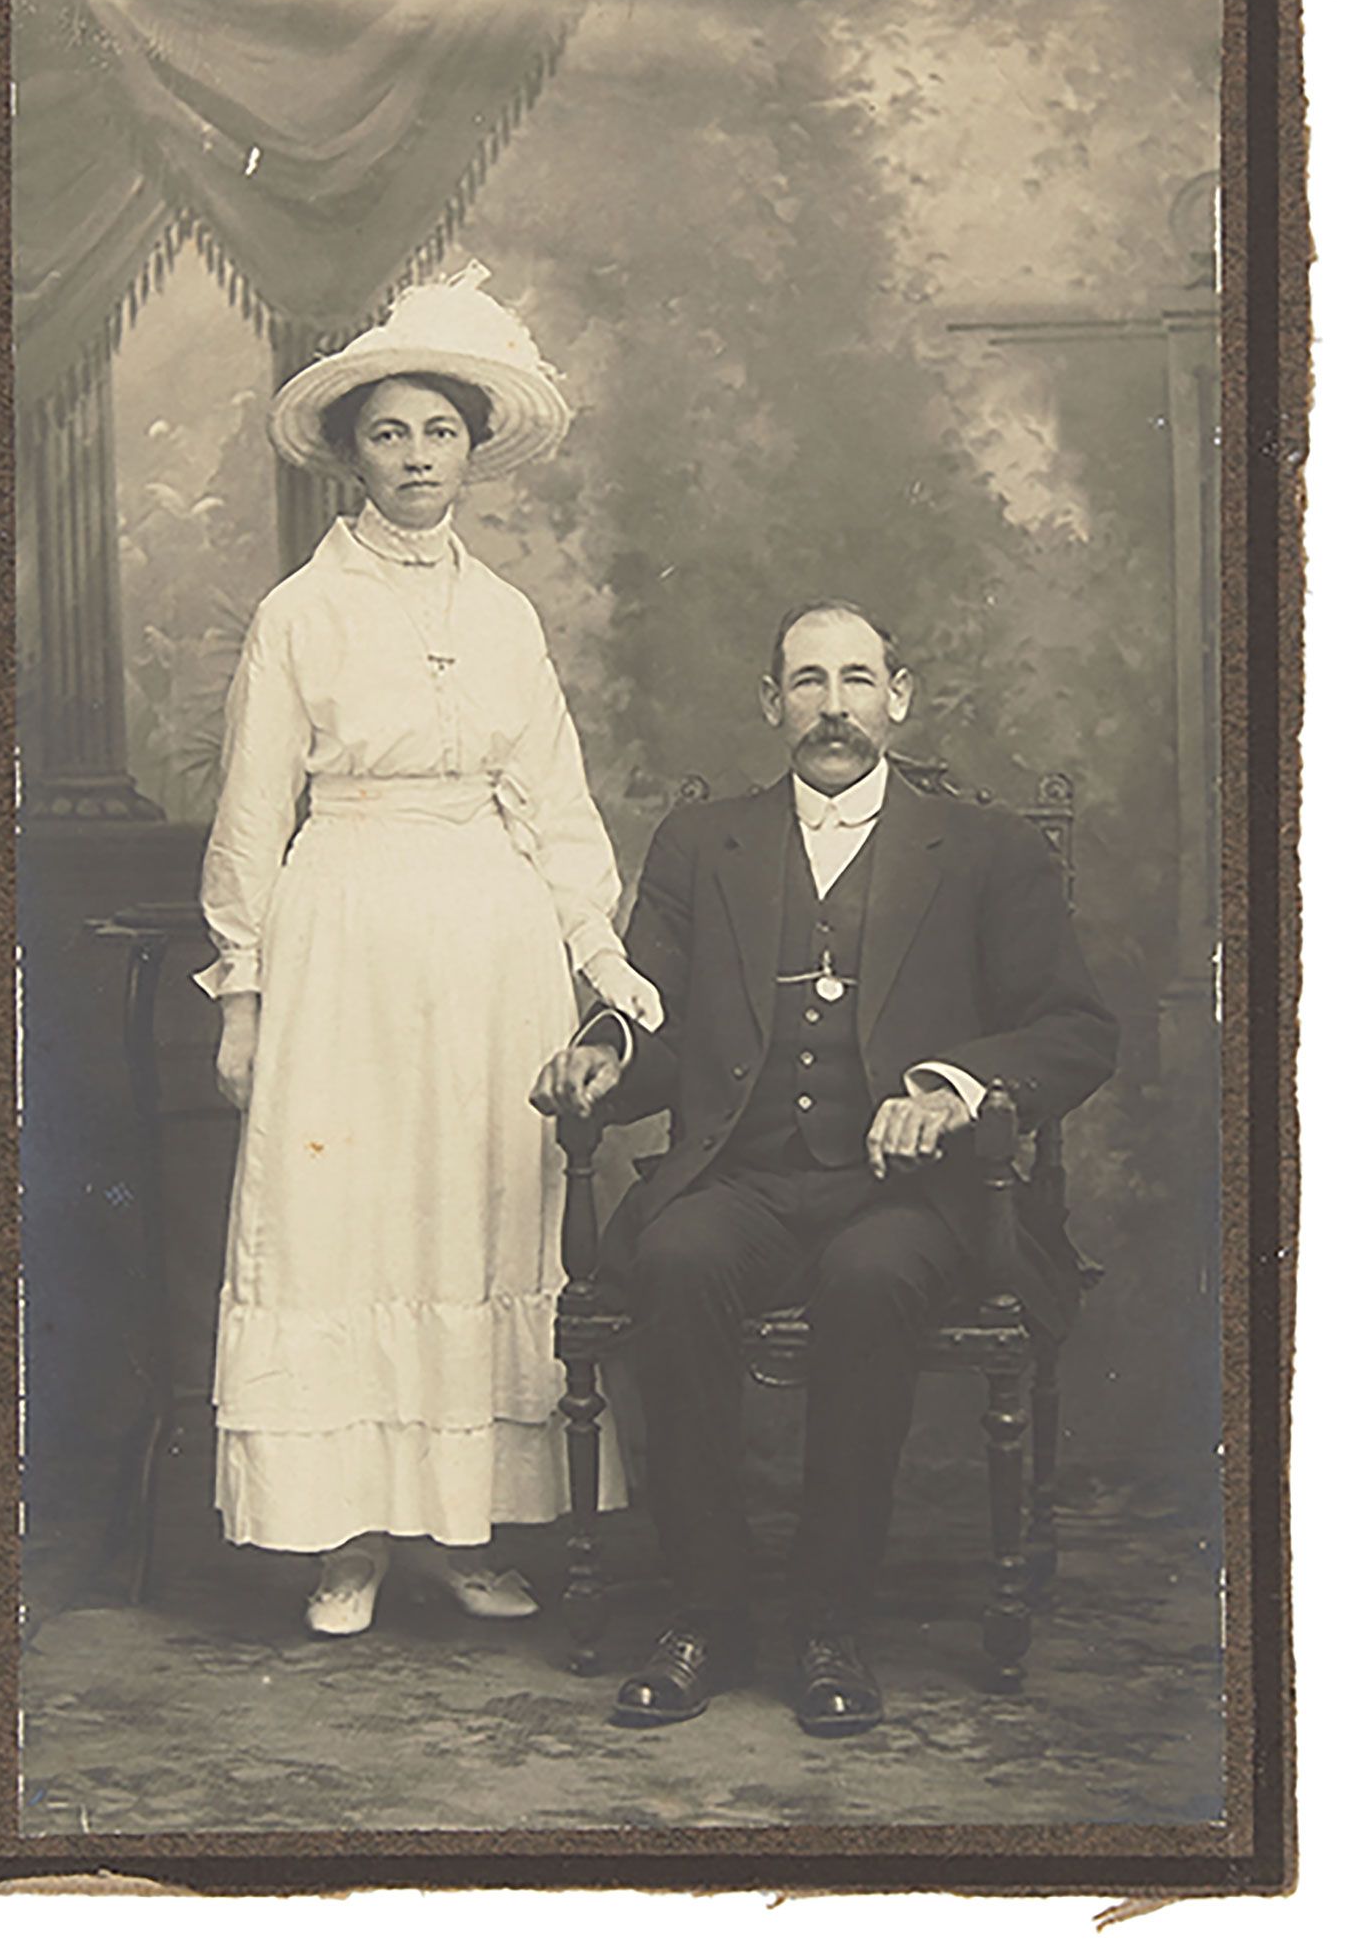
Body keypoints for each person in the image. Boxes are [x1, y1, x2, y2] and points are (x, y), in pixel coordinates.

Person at [531, 600, 1118, 1733]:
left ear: (899, 697)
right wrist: (604, 1051)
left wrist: (949, 1089)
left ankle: (829, 1622)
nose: (833, 707)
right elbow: (649, 1016)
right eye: (808, 682)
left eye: (856, 681)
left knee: (872, 1278)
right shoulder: (703, 845)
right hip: (744, 1182)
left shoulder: (987, 848)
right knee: (676, 1259)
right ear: (772, 704)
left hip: (910, 1197)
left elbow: (1074, 1030)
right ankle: (706, 1615)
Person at [197, 264, 657, 1636]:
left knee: (476, 1211)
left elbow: (556, 801)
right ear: (353, 453)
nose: (415, 457)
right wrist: (242, 996)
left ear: (471, 450)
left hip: (490, 945)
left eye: (438, 433)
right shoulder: (300, 613)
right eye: (389, 433)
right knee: (345, 1218)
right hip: (345, 934)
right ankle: (346, 1539)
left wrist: (600, 959)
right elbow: (251, 814)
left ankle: (461, 1530)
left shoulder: (506, 615)